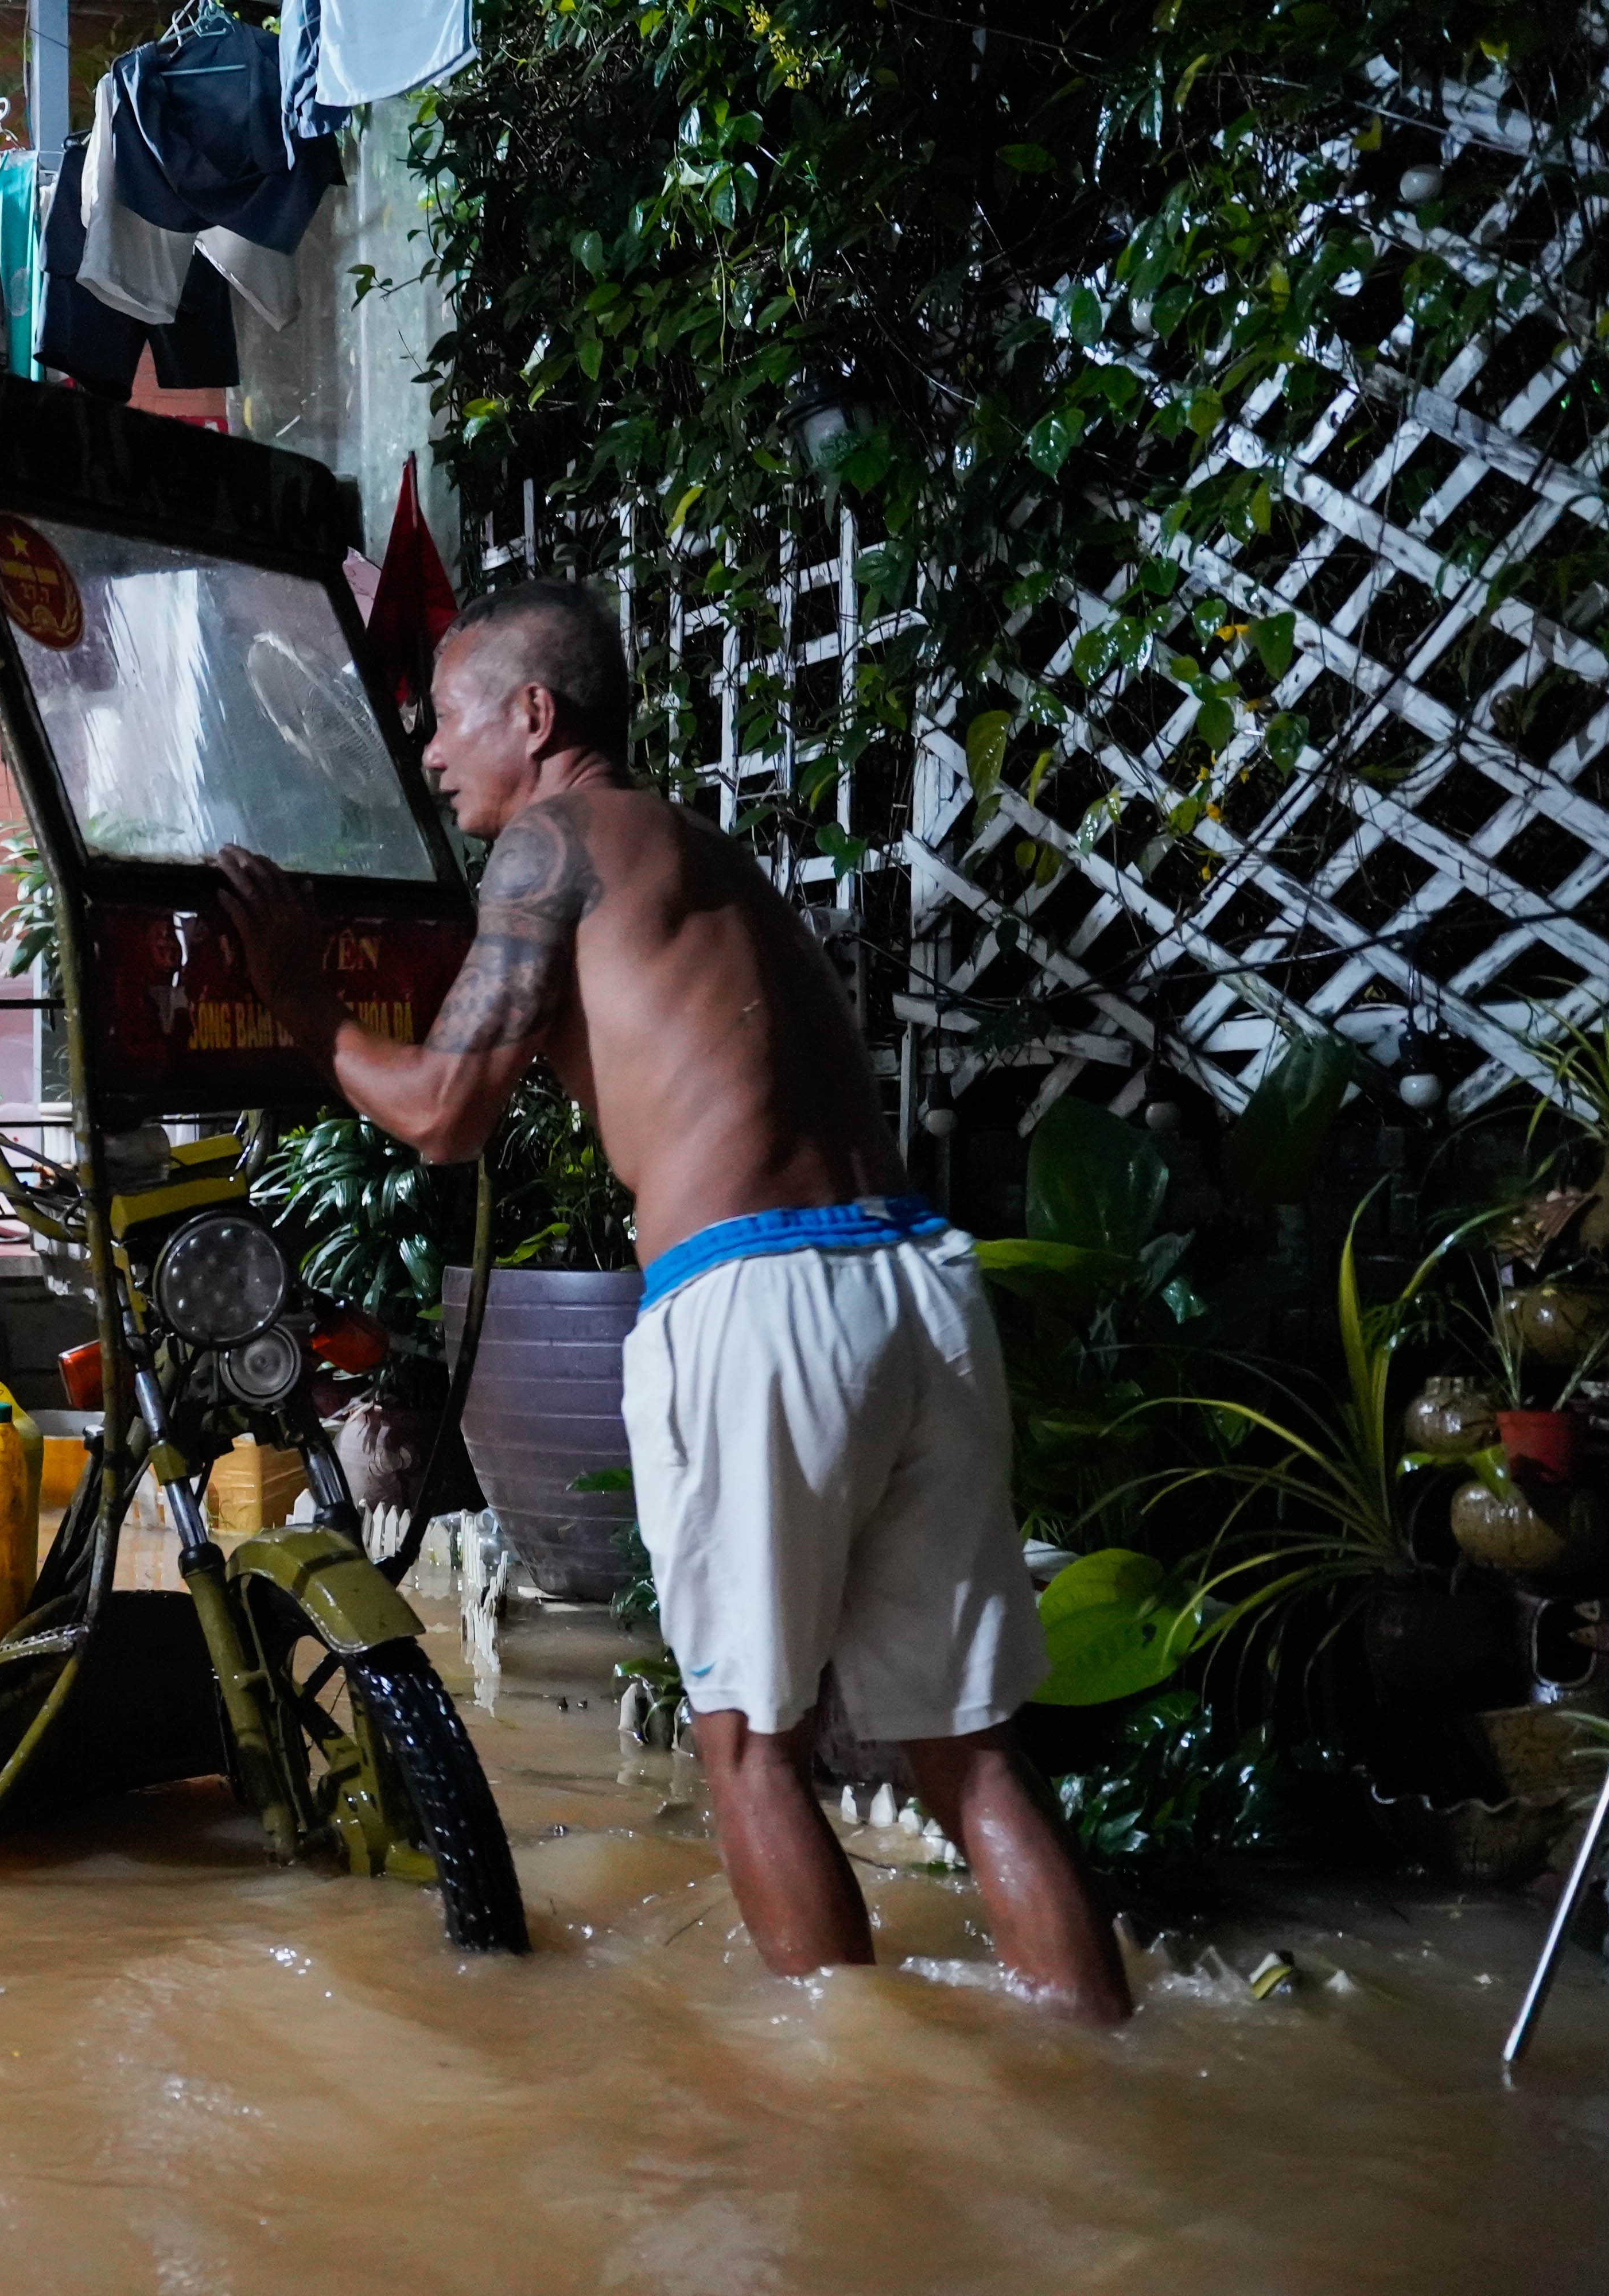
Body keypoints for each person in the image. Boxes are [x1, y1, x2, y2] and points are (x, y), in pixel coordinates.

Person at [212, 581, 1132, 2022]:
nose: (431, 747)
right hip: (913, 1285)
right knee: (969, 1752)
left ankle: (841, 2128)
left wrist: (304, 1006)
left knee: (747, 1750)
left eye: (449, 716)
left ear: (534, 715)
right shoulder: (703, 851)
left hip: (759, 1302)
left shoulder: (552, 839)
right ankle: (1096, 2075)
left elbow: (448, 1109)